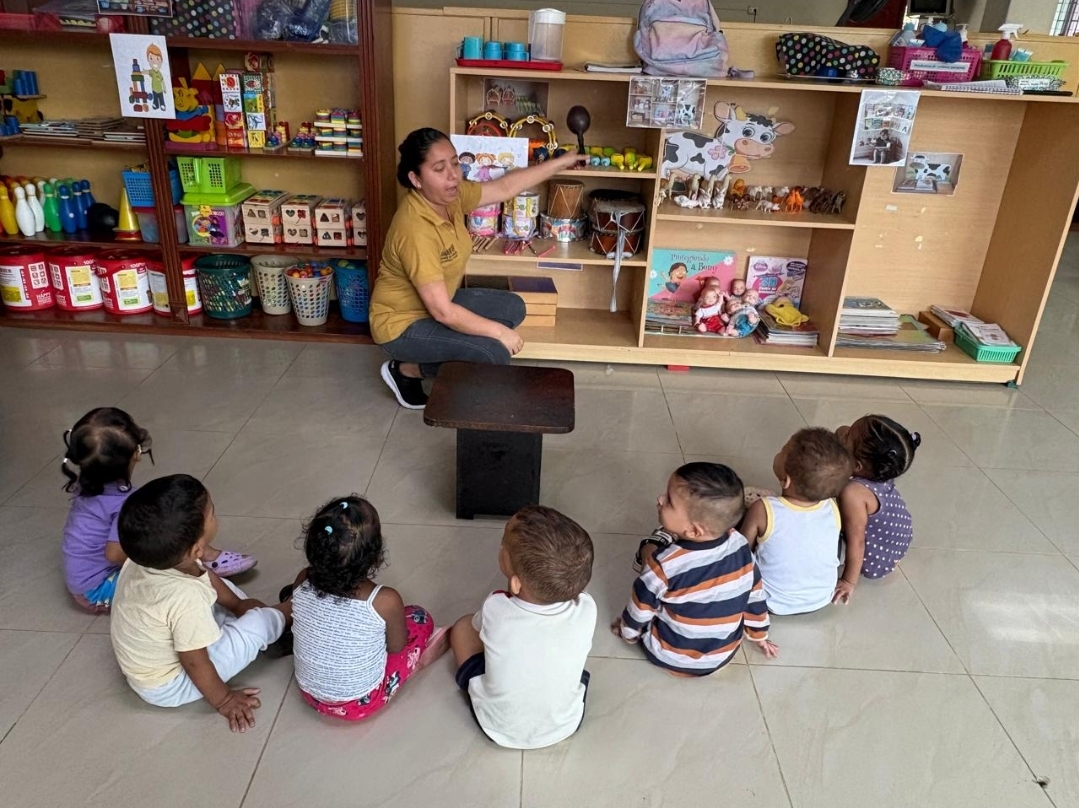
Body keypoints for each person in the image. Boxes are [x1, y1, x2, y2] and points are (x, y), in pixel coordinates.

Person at [370, 127, 585, 409]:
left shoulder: (450, 197)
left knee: (512, 307)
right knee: (492, 353)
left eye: (455, 163)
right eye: (439, 169)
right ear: (416, 179)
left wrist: (560, 163)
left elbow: (504, 188)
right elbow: (443, 312)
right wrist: (498, 333)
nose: (453, 175)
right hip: (401, 325)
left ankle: (446, 357)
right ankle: (407, 369)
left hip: (434, 304)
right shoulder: (415, 229)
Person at [109, 475, 290, 732]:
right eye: (212, 513)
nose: (215, 516)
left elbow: (203, 575)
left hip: (156, 657)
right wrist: (224, 700)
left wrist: (237, 605)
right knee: (259, 622)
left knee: (218, 592)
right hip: (172, 685)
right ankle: (292, 610)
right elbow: (194, 661)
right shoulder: (185, 597)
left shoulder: (148, 558)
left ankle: (252, 623)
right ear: (196, 549)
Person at [60, 407, 255, 614]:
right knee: (178, 566)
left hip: (82, 582)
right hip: (99, 590)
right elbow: (114, 554)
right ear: (136, 455)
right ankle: (210, 571)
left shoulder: (89, 483)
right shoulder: (122, 504)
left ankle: (206, 555)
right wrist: (167, 561)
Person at [449, 505, 596, 749]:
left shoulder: (496, 607)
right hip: (565, 723)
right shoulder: (588, 608)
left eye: (503, 546)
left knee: (463, 628)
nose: (500, 547)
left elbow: (477, 629)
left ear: (516, 584)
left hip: (496, 726)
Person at [290, 495, 447, 721]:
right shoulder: (384, 600)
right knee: (419, 617)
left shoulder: (302, 578)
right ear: (375, 557)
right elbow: (396, 646)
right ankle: (414, 662)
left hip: (309, 692)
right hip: (360, 702)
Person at [613, 462, 777, 675]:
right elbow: (755, 596)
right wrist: (759, 634)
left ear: (694, 531)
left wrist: (628, 634)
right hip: (721, 656)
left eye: (669, 501)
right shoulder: (741, 545)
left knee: (649, 552)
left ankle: (658, 539)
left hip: (668, 655)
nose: (660, 499)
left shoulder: (663, 564)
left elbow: (640, 609)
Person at [738, 428, 853, 615]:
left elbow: (740, 551)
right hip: (821, 597)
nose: (779, 452)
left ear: (786, 481)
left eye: (783, 450)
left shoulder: (762, 508)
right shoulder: (832, 507)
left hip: (769, 600)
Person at [833, 415, 920, 604]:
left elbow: (857, 541)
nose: (844, 432)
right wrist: (847, 437)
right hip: (896, 541)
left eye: (848, 436)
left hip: (876, 557)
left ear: (856, 466)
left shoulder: (853, 493)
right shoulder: (879, 469)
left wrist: (848, 581)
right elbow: (841, 430)